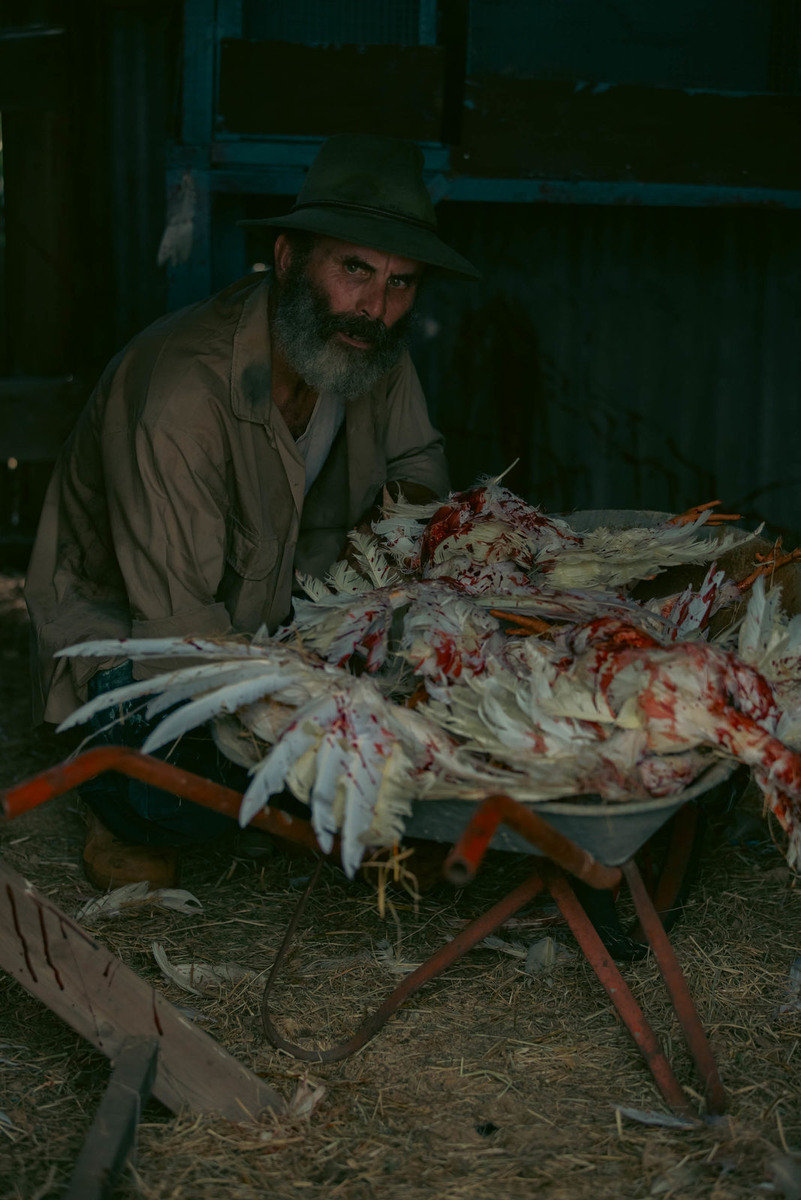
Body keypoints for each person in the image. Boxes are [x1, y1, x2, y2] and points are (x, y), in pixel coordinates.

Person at [24, 133, 480, 888]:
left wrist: (386, 556)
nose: (375, 306)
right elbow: (183, 641)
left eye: (400, 282)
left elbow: (417, 468)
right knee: (175, 789)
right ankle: (120, 800)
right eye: (354, 269)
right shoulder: (181, 396)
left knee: (467, 666)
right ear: (289, 257)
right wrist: (340, 717)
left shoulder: (368, 348)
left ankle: (310, 797)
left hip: (287, 626)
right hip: (149, 645)